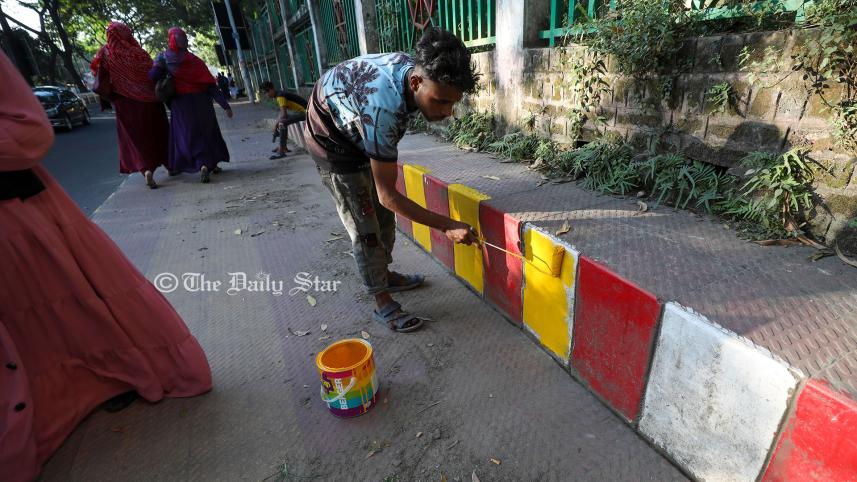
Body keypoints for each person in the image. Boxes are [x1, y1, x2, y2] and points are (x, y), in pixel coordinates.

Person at [0, 50, 212, 482]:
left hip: (20, 204)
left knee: (69, 299)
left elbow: (33, 129)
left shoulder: (139, 62)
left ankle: (157, 170)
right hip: (159, 114)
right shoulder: (152, 61)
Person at [304, 27, 480, 333]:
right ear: (416, 82)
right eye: (440, 101)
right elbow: (388, 195)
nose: (448, 112)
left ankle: (383, 273)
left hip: (355, 124)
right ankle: (381, 300)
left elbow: (387, 199)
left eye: (453, 103)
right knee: (366, 223)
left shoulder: (412, 71)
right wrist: (447, 225)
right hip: (330, 141)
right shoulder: (384, 109)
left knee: (384, 217)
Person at [90, 22, 169, 189]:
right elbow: (151, 74)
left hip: (124, 104)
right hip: (150, 103)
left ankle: (146, 169)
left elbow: (99, 75)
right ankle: (171, 164)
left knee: (135, 139)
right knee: (158, 133)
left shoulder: (105, 54)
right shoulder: (138, 53)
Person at [149, 27, 233, 183]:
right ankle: (209, 164)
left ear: (171, 40)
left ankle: (199, 165)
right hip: (202, 104)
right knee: (207, 134)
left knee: (187, 136)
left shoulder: (163, 58)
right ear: (184, 40)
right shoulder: (195, 61)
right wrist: (225, 105)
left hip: (181, 104)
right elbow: (211, 86)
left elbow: (152, 76)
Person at [260, 80, 307, 160]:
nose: (267, 94)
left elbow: (284, 115)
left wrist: (276, 125)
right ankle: (283, 146)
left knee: (282, 123)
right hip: (302, 112)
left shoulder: (280, 96)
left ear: (271, 89)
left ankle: (281, 150)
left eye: (267, 92)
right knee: (281, 121)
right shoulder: (279, 95)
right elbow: (282, 113)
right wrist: (276, 123)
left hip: (306, 112)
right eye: (265, 93)